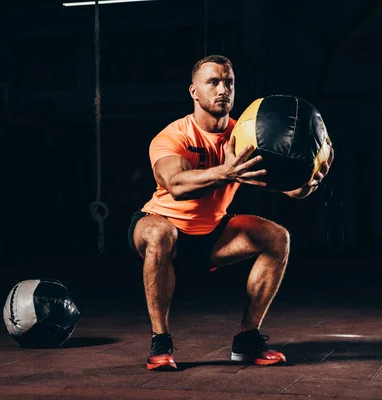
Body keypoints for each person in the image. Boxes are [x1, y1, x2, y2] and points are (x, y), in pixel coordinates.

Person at [127, 55, 334, 371]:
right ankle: (161, 341)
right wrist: (226, 172)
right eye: (212, 82)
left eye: (229, 82)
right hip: (162, 223)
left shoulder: (247, 135)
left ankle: (248, 339)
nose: (222, 89)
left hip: (213, 234)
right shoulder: (174, 136)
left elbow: (287, 189)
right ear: (194, 92)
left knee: (277, 238)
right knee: (160, 233)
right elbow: (177, 184)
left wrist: (308, 183)